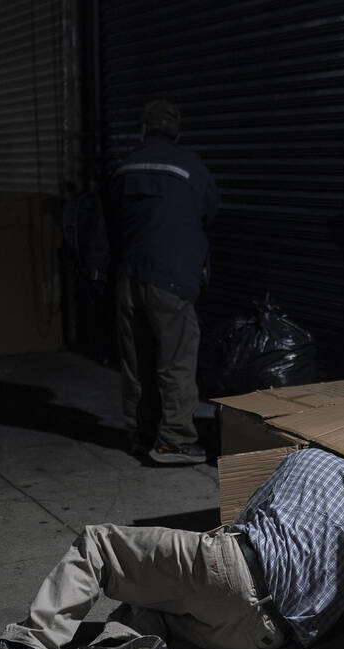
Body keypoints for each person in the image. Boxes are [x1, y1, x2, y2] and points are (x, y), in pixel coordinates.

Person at [0, 448, 344, 649]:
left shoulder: (311, 458)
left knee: (99, 544)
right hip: (263, 636)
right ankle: (126, 640)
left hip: (239, 570)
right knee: (159, 599)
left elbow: (242, 523)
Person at [110, 99, 219, 465]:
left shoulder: (123, 166)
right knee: (175, 360)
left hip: (129, 277)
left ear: (143, 129)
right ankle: (174, 440)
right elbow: (209, 212)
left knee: (137, 361)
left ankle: (140, 435)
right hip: (170, 280)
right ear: (176, 131)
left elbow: (107, 218)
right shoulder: (191, 167)